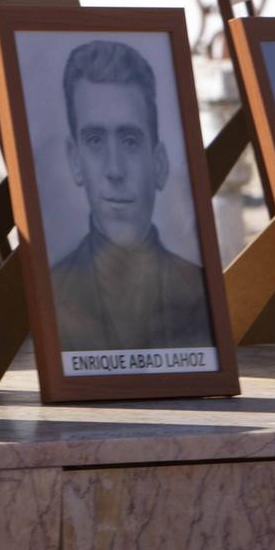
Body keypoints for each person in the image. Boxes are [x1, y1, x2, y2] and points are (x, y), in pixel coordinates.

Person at [47, 39, 212, 351]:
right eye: (95, 140)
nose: (114, 170)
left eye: (130, 141)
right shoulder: (51, 291)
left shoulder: (201, 295)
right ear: (75, 161)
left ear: (160, 163)